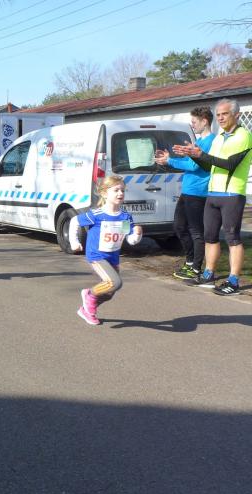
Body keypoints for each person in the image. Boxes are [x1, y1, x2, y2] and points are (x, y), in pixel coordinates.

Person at [173, 98, 252, 296]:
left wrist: (201, 154)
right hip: (213, 193)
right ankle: (208, 274)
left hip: (232, 194)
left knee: (232, 238)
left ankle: (233, 280)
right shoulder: (218, 138)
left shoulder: (243, 135)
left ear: (236, 115)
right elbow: (209, 166)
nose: (221, 118)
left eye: (225, 114)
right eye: (218, 115)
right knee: (209, 237)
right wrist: (193, 154)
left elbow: (229, 164)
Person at [69, 175, 143, 325]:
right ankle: (89, 296)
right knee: (115, 282)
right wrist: (74, 242)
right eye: (116, 190)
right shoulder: (97, 215)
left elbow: (130, 240)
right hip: (96, 255)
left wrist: (137, 234)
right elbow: (74, 221)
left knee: (109, 292)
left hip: (113, 257)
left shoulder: (125, 217)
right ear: (104, 193)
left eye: (123, 190)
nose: (120, 193)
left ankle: (86, 310)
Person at [154, 106, 215, 280]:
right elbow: (188, 161)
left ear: (204, 121)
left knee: (196, 231)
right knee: (179, 227)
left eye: (194, 122)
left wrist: (169, 161)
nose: (192, 125)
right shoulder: (199, 141)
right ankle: (189, 262)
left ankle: (196, 268)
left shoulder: (210, 141)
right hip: (187, 190)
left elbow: (193, 165)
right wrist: (170, 157)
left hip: (198, 193)